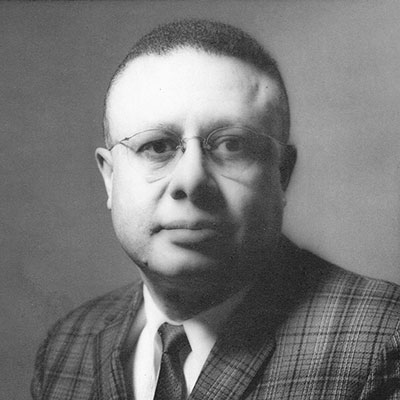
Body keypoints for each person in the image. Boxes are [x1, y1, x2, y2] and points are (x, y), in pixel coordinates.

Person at [31, 19, 400, 400]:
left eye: (232, 145)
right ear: (110, 178)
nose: (191, 181)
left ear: (282, 174)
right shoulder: (67, 344)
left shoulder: (386, 341)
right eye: (157, 147)